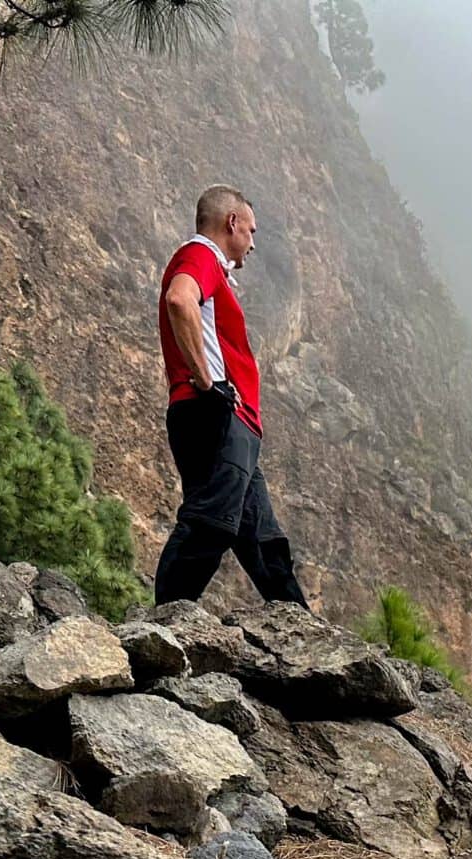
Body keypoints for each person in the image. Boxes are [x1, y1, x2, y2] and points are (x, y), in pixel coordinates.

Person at [152, 184, 309, 608]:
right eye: (251, 231)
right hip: (217, 415)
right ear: (232, 222)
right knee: (212, 520)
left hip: (235, 423)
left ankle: (306, 638)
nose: (253, 244)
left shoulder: (214, 271)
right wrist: (207, 382)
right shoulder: (200, 254)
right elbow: (179, 300)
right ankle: (161, 624)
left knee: (262, 540)